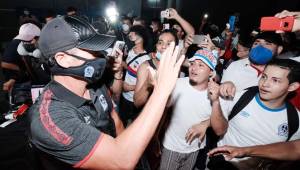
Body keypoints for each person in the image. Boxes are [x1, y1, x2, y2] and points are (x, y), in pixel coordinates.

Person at [28, 15, 184, 170]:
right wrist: (161, 91)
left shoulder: (95, 85)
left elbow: (116, 123)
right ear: (63, 59)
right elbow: (120, 160)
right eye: (92, 50)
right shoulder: (51, 117)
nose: (101, 56)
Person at [208, 58, 300, 169]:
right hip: (220, 163)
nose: (265, 84)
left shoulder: (295, 119)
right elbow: (219, 127)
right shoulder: (242, 97)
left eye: (275, 80)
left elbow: (293, 150)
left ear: (292, 87)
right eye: (264, 77)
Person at [159, 49, 218, 170]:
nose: (194, 68)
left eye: (201, 65)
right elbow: (163, 112)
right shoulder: (177, 84)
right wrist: (155, 136)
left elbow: (220, 121)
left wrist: (206, 124)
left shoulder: (215, 93)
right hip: (172, 146)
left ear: (211, 72)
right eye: (192, 64)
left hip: (194, 148)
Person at [220, 31, 284, 97]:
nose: (260, 46)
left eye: (267, 43)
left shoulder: (282, 72)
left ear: (279, 49)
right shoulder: (236, 65)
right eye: (256, 43)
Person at [134, 29, 178, 108]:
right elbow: (136, 103)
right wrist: (148, 83)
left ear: (175, 49)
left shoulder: (174, 68)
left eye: (169, 44)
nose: (163, 46)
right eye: (160, 42)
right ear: (156, 46)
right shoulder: (145, 67)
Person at [119, 25, 150, 125]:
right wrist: (118, 60)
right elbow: (129, 67)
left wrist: (130, 87)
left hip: (133, 99)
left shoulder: (145, 59)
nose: (130, 34)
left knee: (133, 124)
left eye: (133, 32)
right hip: (124, 95)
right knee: (121, 121)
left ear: (140, 36)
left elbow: (147, 82)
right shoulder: (132, 50)